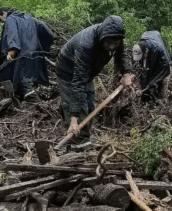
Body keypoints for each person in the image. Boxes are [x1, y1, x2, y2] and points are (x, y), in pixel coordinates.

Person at [55, 16, 135, 146]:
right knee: (79, 108)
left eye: (115, 43)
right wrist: (74, 120)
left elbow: (121, 55)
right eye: (108, 43)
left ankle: (83, 139)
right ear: (102, 37)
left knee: (90, 105)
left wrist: (126, 73)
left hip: (88, 71)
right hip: (68, 71)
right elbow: (78, 82)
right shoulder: (86, 45)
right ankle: (77, 143)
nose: (112, 46)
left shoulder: (116, 38)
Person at [0, 8, 55, 99]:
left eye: (0, 20)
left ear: (3, 13)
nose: (2, 22)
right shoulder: (30, 18)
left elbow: (12, 34)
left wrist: (12, 51)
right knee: (32, 82)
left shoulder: (11, 19)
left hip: (21, 56)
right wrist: (43, 49)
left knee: (24, 83)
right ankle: (33, 104)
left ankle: (35, 106)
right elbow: (49, 34)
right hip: (35, 55)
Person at [131, 30, 172, 102]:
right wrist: (138, 87)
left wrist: (152, 82)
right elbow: (138, 69)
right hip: (151, 53)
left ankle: (161, 101)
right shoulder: (138, 47)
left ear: (145, 52)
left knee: (160, 83)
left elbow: (166, 68)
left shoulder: (158, 48)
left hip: (162, 64)